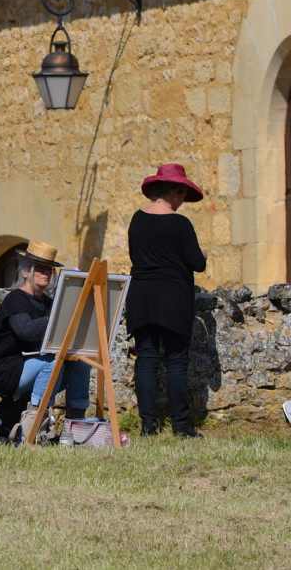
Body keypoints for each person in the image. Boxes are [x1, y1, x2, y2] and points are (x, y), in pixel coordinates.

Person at [126, 163, 207, 438]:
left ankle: (148, 426)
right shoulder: (180, 224)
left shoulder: (137, 219)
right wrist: (202, 254)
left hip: (141, 295)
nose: (183, 201)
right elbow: (197, 264)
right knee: (176, 361)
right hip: (173, 296)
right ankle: (181, 427)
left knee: (146, 359)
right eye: (182, 195)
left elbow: (136, 257)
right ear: (175, 191)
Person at [0, 240, 91, 444]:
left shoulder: (48, 303)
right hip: (6, 369)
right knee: (51, 362)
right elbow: (26, 331)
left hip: (37, 366)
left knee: (80, 363)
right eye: (40, 268)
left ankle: (76, 428)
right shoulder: (16, 299)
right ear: (25, 271)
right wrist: (58, 316)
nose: (46, 273)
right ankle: (35, 428)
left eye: (49, 269)